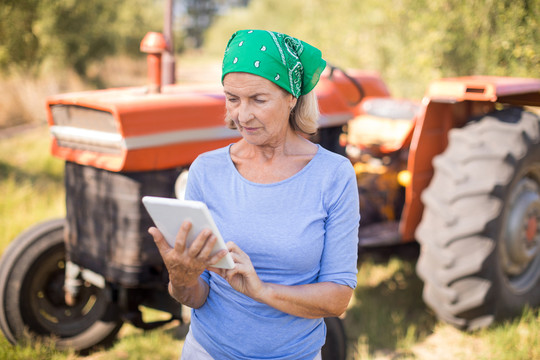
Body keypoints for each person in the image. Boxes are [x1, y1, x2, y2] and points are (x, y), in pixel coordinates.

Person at [149, 29, 360, 360]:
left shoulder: (333, 175)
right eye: (232, 99)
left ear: (292, 97)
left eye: (258, 100)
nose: (242, 116)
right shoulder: (206, 170)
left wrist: (261, 291)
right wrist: (181, 279)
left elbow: (337, 299)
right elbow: (196, 295)